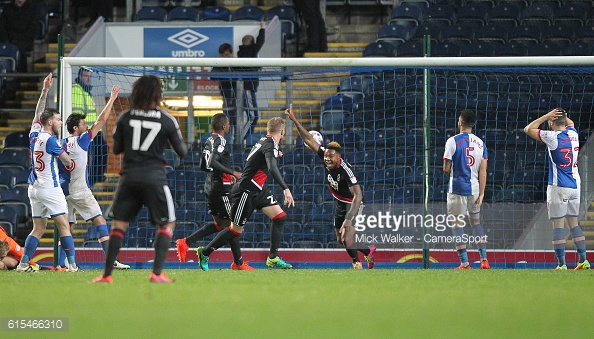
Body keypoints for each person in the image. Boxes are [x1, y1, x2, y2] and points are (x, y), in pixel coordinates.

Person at [92, 75, 188, 283]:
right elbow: (182, 151)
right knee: (167, 223)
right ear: (157, 94)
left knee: (119, 225)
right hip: (154, 176)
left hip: (129, 177)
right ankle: (156, 273)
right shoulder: (167, 119)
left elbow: (116, 149)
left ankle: (107, 275)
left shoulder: (125, 117)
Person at [196, 117, 295, 270]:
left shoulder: (265, 141)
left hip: (258, 190)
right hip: (246, 191)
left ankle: (273, 258)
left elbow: (262, 158)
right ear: (283, 131)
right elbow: (272, 167)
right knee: (235, 231)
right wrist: (285, 188)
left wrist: (275, 155)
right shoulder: (270, 144)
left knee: (280, 216)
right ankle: (205, 252)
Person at [285, 105, 375, 269]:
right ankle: (368, 251)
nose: (327, 159)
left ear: (338, 157)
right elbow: (308, 140)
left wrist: (348, 219)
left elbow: (358, 195)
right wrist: (294, 120)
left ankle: (357, 264)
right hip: (340, 202)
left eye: (331, 157)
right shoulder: (325, 155)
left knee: (346, 234)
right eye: (326, 156)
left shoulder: (345, 170)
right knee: (339, 239)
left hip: (353, 203)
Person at [56, 84, 130, 271]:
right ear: (75, 128)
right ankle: (111, 260)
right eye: (82, 124)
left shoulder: (60, 143)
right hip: (80, 190)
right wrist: (112, 98)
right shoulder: (82, 140)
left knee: (67, 227)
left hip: (64, 190)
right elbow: (102, 120)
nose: (86, 126)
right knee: (100, 221)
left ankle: (63, 263)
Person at [17, 73, 81, 273]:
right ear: (51, 123)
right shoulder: (52, 141)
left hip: (33, 187)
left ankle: (23, 263)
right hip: (49, 187)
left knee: (39, 227)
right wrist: (69, 156)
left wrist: (45, 91)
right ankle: (72, 265)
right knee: (63, 226)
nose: (61, 122)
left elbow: (38, 113)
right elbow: (68, 162)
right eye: (59, 119)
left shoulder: (34, 134)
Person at [175, 113, 253, 270]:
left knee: (221, 225)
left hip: (210, 186)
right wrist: (231, 172)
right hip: (220, 189)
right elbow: (211, 161)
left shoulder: (210, 140)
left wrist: (222, 173)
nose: (229, 126)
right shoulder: (221, 140)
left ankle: (186, 242)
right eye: (229, 124)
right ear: (224, 126)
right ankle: (237, 263)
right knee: (234, 225)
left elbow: (203, 165)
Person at [524, 108, 589, 270]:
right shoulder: (573, 133)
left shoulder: (552, 137)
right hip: (575, 185)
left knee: (558, 226)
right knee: (573, 223)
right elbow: (571, 122)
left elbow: (528, 129)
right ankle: (583, 261)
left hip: (558, 186)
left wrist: (546, 115)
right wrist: (562, 115)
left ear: (552, 122)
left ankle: (562, 264)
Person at [443, 109, 489, 270]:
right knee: (476, 222)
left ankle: (465, 263)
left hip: (457, 188)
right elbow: (483, 170)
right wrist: (482, 193)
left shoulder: (452, 141)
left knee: (457, 224)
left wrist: (452, 170)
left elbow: (446, 167)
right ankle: (484, 260)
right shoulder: (481, 143)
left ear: (460, 122)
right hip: (475, 189)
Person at [72, 66, 108, 187]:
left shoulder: (86, 91)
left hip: (94, 130)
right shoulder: (77, 90)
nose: (88, 79)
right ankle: (91, 181)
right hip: (86, 131)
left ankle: (97, 178)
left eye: (90, 76)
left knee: (102, 151)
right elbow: (78, 112)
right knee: (91, 156)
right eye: (86, 76)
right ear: (80, 76)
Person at [238, 21, 266, 140]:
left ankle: (247, 137)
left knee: (253, 115)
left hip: (248, 88)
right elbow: (260, 42)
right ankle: (243, 137)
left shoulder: (240, 53)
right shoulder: (251, 52)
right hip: (248, 88)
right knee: (253, 116)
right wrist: (262, 29)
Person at [0, 0, 39, 72]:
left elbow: (32, 29)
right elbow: (2, 26)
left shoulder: (32, 9)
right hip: (9, 39)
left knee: (20, 49)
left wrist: (19, 38)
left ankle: (22, 76)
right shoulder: (8, 8)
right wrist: (6, 39)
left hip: (24, 40)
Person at [211, 43, 238, 143]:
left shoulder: (237, 64)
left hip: (238, 96)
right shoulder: (220, 65)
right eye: (222, 56)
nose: (224, 58)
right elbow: (212, 76)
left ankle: (237, 141)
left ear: (231, 53)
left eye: (226, 55)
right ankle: (227, 141)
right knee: (226, 118)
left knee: (237, 119)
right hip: (225, 96)